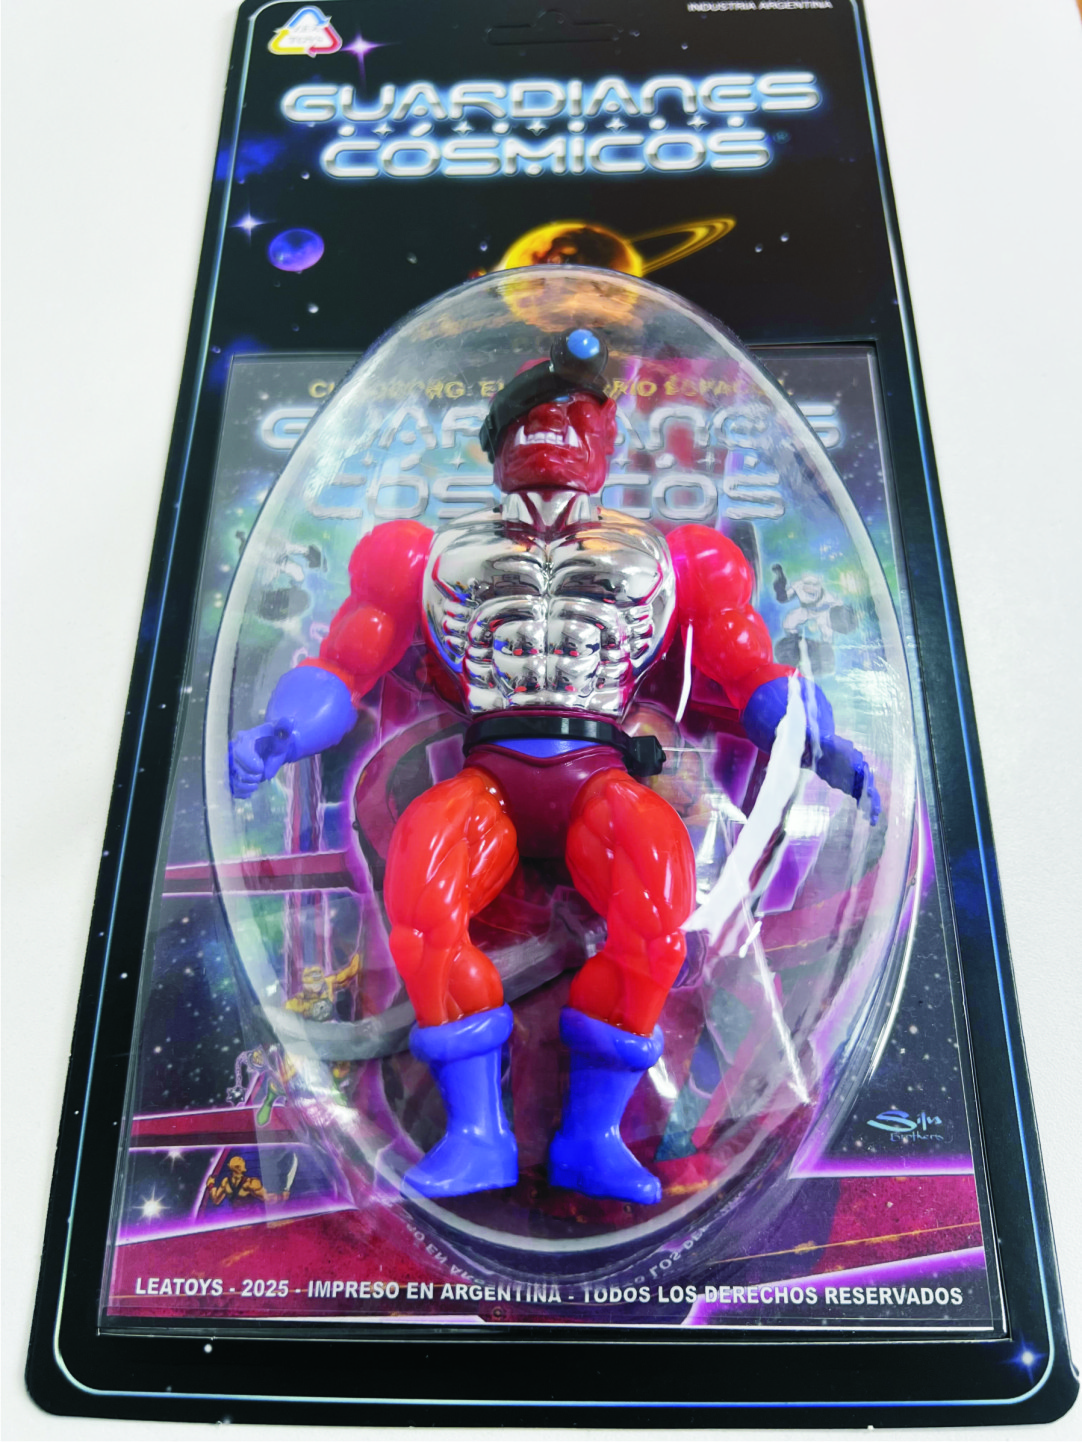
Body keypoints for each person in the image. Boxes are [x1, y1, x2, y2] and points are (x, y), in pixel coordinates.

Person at [230, 327, 878, 1204]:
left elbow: (749, 669)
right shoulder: (419, 554)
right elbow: (348, 662)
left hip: (600, 771)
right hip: (489, 772)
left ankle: (593, 1138)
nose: (551, 425)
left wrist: (815, 741)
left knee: (657, 910)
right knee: (421, 895)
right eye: (533, 410)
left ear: (607, 432)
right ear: (498, 436)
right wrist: (281, 730)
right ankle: (475, 1135)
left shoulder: (681, 558)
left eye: (573, 410)